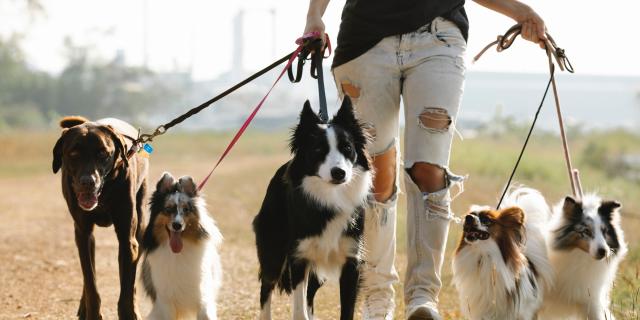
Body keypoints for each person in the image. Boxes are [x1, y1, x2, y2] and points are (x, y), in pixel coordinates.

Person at [303, 0, 547, 319]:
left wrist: (520, 11)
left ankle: (422, 295)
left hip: (439, 37)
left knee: (430, 170)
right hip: (365, 41)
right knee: (375, 174)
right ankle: (376, 296)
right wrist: (314, 16)